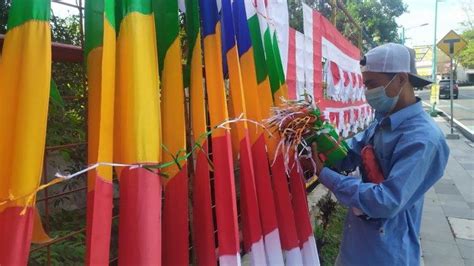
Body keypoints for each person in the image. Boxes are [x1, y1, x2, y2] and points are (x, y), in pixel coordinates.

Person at [311, 43, 450, 266]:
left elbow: (386, 200)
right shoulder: (382, 121)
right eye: (365, 85)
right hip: (355, 247)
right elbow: (349, 152)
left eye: (372, 84)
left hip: (386, 254)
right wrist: (317, 140)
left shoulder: (424, 140)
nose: (367, 93)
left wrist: (326, 176)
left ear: (401, 80)